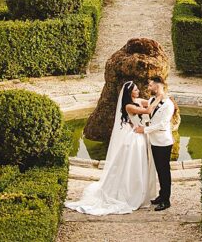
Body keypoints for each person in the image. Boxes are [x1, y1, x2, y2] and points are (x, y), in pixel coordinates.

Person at [65, 81, 158, 215]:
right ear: (129, 92)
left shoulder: (137, 100)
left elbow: (149, 103)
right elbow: (148, 110)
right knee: (132, 165)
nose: (138, 91)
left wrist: (159, 97)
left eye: (137, 89)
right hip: (133, 139)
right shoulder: (129, 106)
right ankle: (129, 192)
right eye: (136, 90)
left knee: (139, 165)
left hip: (140, 135)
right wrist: (159, 98)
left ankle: (140, 190)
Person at [134, 76, 175, 211]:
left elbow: (162, 124)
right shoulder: (152, 99)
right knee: (158, 169)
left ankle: (166, 200)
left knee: (164, 171)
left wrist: (144, 130)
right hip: (154, 141)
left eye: (151, 85)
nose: (149, 88)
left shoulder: (169, 104)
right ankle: (161, 196)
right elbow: (149, 115)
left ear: (158, 86)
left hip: (163, 142)